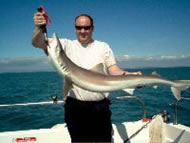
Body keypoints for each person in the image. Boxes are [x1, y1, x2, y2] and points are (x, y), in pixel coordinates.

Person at [32, 11, 142, 142]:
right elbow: (38, 43)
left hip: (100, 107)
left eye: (86, 27)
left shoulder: (103, 46)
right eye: (79, 27)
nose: (83, 31)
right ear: (75, 28)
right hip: (75, 108)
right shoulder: (66, 45)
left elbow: (113, 69)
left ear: (92, 28)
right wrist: (39, 28)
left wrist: (129, 76)